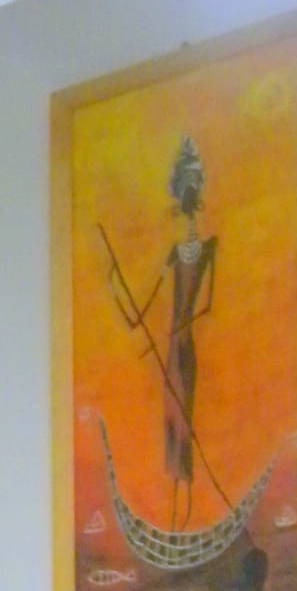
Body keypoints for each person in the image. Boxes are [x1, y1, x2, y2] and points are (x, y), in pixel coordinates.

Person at [109, 136, 217, 531]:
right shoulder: (174, 252)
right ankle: (173, 517)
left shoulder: (208, 247)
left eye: (191, 192)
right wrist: (118, 294)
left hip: (184, 346)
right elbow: (150, 301)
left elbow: (206, 304)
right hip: (172, 347)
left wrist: (181, 329)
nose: (187, 201)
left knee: (184, 422)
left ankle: (185, 513)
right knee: (170, 423)